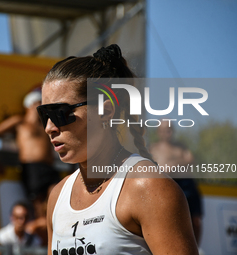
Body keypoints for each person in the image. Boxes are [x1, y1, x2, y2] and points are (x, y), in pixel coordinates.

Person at [38, 44, 199, 254]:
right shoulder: (57, 196)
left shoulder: (149, 187)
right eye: (44, 115)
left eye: (60, 113)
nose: (50, 127)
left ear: (105, 111)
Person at [0, 89, 60, 200]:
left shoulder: (46, 125)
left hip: (49, 167)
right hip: (31, 168)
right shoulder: (20, 122)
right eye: (40, 103)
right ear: (31, 105)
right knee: (38, 205)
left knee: (57, 197)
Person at [150, 121, 203, 245]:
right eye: (163, 129)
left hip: (187, 185)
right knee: (167, 220)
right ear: (158, 131)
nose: (166, 132)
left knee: (195, 219)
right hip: (165, 187)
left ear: (173, 130)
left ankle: (196, 249)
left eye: (169, 129)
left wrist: (173, 164)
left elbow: (190, 159)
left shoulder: (181, 146)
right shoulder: (153, 148)